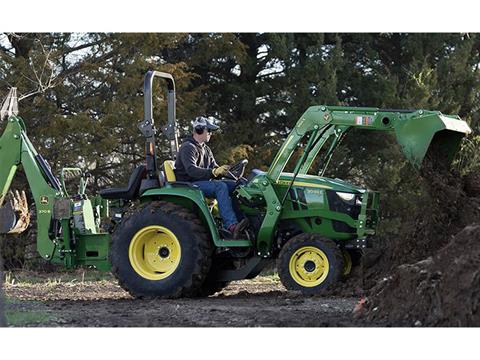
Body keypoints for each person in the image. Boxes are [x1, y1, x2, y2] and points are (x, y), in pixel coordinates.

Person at [174, 116, 248, 239]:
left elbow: (214, 167)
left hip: (202, 182)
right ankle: (231, 225)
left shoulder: (206, 149)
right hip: (190, 184)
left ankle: (242, 221)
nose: (210, 134)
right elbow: (192, 171)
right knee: (221, 187)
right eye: (209, 130)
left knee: (238, 185)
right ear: (198, 130)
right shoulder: (188, 147)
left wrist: (226, 172)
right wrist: (213, 172)